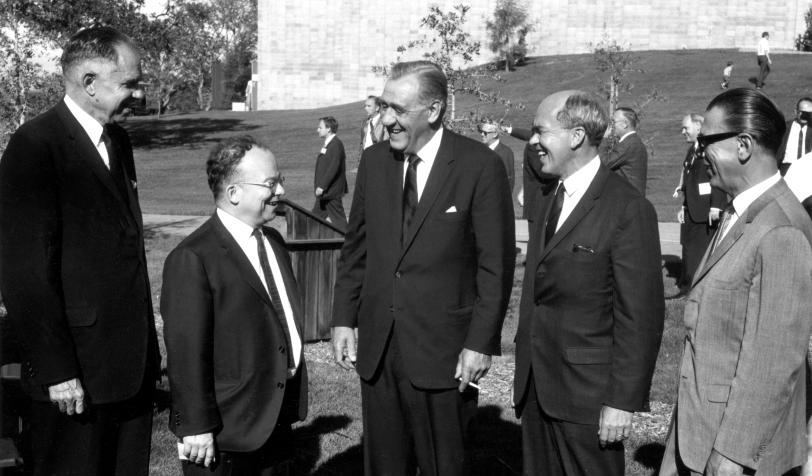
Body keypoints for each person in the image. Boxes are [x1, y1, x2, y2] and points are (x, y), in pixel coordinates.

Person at [331, 60, 515, 476]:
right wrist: (344, 316)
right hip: (379, 348)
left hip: (444, 352)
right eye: (383, 107)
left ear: (433, 111)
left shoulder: (478, 167)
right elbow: (356, 247)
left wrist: (480, 343)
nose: (386, 119)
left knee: (442, 465)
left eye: (398, 109)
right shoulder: (376, 163)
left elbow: (495, 266)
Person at [0, 26, 160, 475]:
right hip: (74, 379)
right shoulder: (34, 147)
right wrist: (57, 369)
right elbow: (23, 271)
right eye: (129, 83)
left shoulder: (118, 142)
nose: (139, 93)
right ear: (90, 83)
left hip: (128, 371)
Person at [659, 88, 812, 476]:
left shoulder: (780, 228)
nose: (698, 151)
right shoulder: (741, 213)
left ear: (743, 145)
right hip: (700, 433)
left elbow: (773, 361)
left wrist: (732, 458)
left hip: (733, 455)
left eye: (706, 140)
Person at [513, 90, 664, 476]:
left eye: (540, 131)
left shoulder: (628, 209)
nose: (532, 142)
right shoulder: (550, 198)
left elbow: (640, 315)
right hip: (537, 389)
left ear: (576, 136)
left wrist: (622, 401)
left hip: (588, 398)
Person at [161, 136, 307, 475]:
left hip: (273, 419)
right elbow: (185, 351)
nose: (282, 190)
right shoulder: (193, 257)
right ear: (234, 193)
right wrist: (195, 424)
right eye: (271, 183)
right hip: (223, 433)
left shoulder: (273, 242)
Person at [672, 113, 726, 296]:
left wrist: (716, 205)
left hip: (706, 209)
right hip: (693, 208)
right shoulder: (693, 149)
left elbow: (717, 175)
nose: (682, 132)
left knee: (699, 250)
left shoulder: (710, 148)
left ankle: (694, 288)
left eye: (685, 128)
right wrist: (684, 206)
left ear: (698, 127)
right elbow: (689, 179)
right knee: (689, 247)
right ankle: (686, 284)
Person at [500, 124, 558, 221]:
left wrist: (510, 130)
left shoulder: (537, 141)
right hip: (538, 204)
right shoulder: (534, 147)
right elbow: (543, 172)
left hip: (542, 204)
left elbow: (527, 134)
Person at [600, 106, 649, 195]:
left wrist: (604, 139)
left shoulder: (629, 144)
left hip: (629, 201)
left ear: (625, 124)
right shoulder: (632, 142)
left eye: (614, 122)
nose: (612, 126)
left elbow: (604, 163)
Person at [313, 116, 348, 231]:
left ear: (328, 129)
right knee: (313, 219)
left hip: (331, 192)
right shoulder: (329, 143)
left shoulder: (335, 144)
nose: (317, 130)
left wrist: (322, 186)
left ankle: (351, 244)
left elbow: (334, 167)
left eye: (320, 127)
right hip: (325, 193)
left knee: (339, 221)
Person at [777, 97, 812, 175]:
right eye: (802, 112)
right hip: (787, 168)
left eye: (808, 113)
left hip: (807, 169)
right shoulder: (784, 127)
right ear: (796, 111)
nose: (805, 115)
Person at [479, 119, 515, 193]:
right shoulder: (479, 150)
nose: (482, 134)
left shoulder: (505, 153)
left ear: (495, 134)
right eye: (481, 131)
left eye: (485, 133)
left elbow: (508, 181)